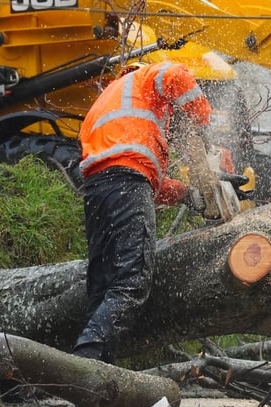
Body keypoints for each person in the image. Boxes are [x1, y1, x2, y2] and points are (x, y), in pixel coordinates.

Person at [71, 62, 213, 363]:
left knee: (103, 281)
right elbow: (176, 74)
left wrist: (189, 195)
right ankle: (87, 357)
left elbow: (150, 182)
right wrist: (202, 121)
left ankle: (89, 371)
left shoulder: (112, 103)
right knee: (132, 280)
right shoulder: (147, 77)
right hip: (126, 184)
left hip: (99, 188)